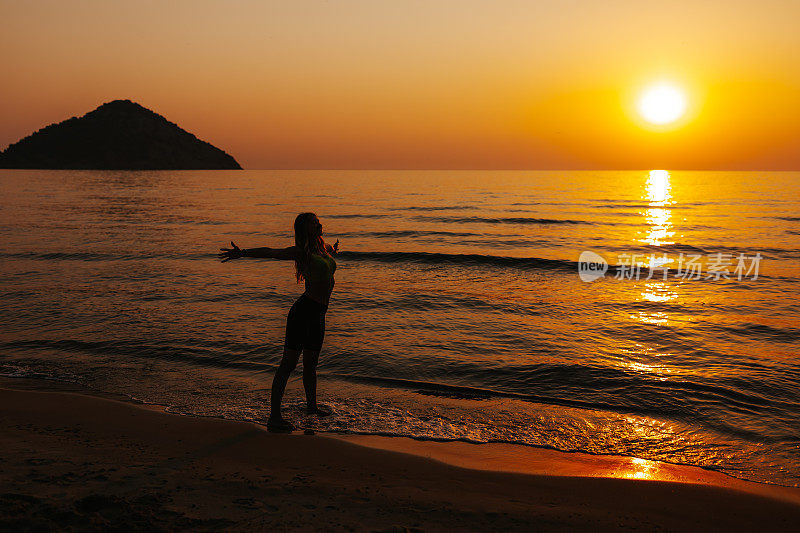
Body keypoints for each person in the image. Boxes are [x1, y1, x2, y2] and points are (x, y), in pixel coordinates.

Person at [218, 212, 338, 432]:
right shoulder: (301, 252)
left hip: (319, 314)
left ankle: (311, 408)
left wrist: (334, 250)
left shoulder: (323, 249)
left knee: (311, 366)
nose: (319, 223)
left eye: (318, 221)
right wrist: (243, 253)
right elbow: (271, 252)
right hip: (303, 313)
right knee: (289, 365)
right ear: (305, 229)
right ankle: (274, 417)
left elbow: (330, 249)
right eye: (314, 222)